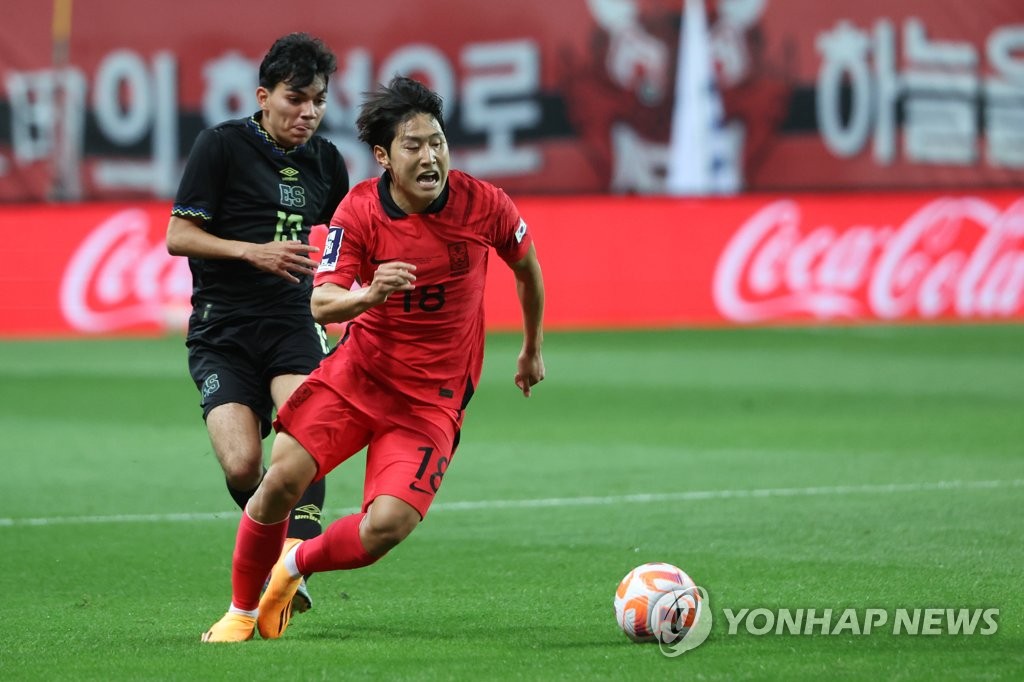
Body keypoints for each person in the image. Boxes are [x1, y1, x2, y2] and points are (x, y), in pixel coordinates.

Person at [200, 75, 546, 642]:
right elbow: (322, 300)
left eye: (437, 141)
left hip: (432, 398)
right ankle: (240, 610)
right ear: (384, 156)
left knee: (387, 525)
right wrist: (368, 294)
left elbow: (527, 269)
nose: (430, 156)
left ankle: (293, 566)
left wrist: (531, 347)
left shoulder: (485, 204)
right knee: (281, 478)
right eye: (413, 145)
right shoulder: (359, 210)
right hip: (359, 374)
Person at [166, 33, 349, 615]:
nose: (309, 112)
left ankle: (294, 560)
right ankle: (271, 544)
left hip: (293, 321)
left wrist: (348, 301)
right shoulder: (220, 146)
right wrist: (254, 252)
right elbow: (178, 236)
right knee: (243, 463)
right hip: (222, 329)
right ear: (263, 96)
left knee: (307, 433)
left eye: (319, 100)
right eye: (296, 99)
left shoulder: (327, 161)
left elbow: (352, 237)